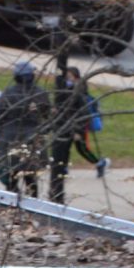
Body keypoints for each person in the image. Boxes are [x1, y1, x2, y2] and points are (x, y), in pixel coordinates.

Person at [0, 60, 51, 197]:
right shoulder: (39, 93)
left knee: (12, 175)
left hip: (10, 137)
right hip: (32, 138)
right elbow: (48, 116)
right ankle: (32, 205)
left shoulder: (8, 93)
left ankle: (13, 201)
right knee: (30, 176)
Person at [47, 66, 109, 204]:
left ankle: (100, 163)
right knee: (64, 147)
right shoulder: (64, 89)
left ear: (75, 76)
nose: (68, 79)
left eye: (70, 76)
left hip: (78, 126)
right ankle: (63, 168)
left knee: (82, 148)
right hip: (66, 125)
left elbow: (82, 113)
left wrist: (78, 131)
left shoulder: (79, 91)